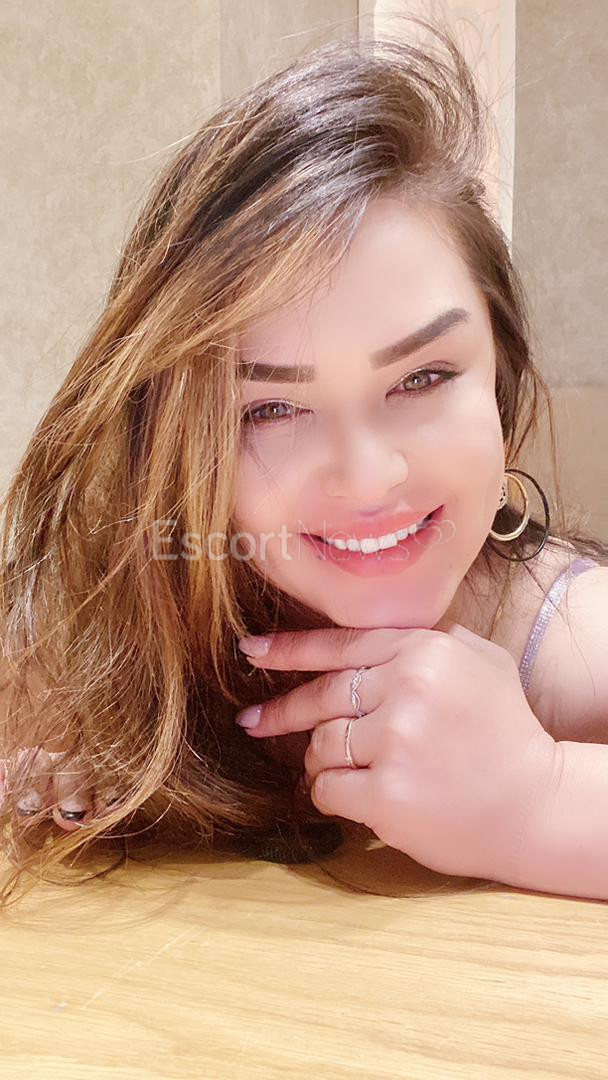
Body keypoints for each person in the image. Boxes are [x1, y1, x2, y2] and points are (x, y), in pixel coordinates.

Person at [1, 16, 607, 908]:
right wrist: (93, 769)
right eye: (272, 409)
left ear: (501, 375)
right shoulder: (117, 626)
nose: (367, 478)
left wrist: (537, 801)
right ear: (177, 441)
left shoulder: (569, 637)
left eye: (422, 377)